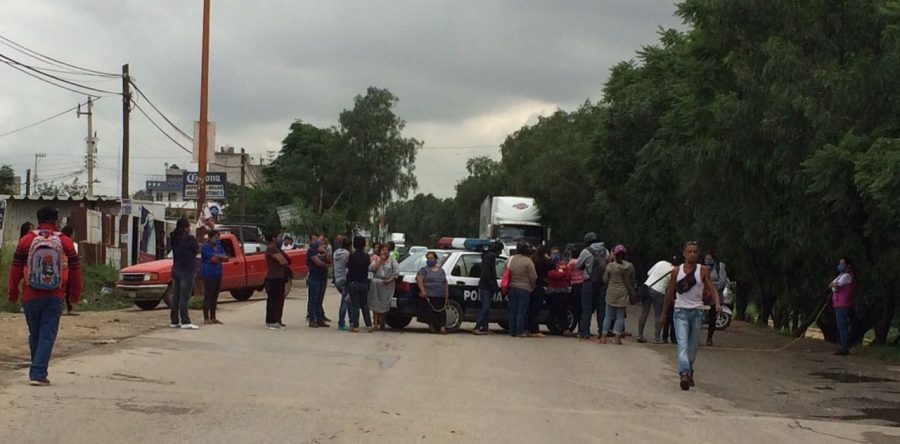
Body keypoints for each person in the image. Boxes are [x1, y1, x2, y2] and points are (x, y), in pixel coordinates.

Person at [8, 207, 82, 386]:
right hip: (55, 294)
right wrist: (75, 293)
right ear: (56, 221)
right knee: (47, 334)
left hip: (30, 294)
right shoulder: (64, 242)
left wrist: (12, 292)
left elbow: (16, 268)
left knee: (35, 333)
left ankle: (37, 368)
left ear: (38, 219)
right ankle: (38, 372)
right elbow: (75, 269)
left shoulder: (26, 240)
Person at [661, 241, 722, 391]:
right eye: (690, 251)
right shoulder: (676, 270)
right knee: (682, 344)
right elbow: (670, 292)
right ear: (684, 254)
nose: (692, 254)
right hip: (680, 311)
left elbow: (712, 289)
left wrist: (718, 303)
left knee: (693, 347)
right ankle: (684, 374)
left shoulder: (703, 270)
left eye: (695, 251)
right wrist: (664, 312)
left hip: (697, 312)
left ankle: (689, 370)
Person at [599, 245, 636, 344]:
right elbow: (632, 280)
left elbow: (604, 279)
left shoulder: (610, 266)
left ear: (615, 255)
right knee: (620, 317)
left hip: (611, 292)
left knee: (608, 315)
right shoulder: (630, 266)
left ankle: (603, 337)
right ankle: (617, 338)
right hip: (623, 293)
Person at [575, 233, 609, 340]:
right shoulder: (605, 251)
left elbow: (577, 265)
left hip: (588, 282)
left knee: (586, 309)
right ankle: (602, 332)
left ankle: (585, 332)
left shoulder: (586, 251)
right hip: (602, 284)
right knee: (601, 309)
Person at [169, 218, 200, 330]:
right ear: (186, 227)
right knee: (184, 297)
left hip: (176, 268)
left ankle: (174, 320)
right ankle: (185, 321)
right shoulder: (190, 239)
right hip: (187, 270)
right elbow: (197, 251)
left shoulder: (174, 238)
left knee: (176, 296)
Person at [637, 257, 674, 344]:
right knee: (658, 314)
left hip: (648, 286)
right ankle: (657, 338)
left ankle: (640, 335)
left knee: (644, 312)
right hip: (659, 291)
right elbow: (670, 284)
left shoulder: (661, 262)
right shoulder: (674, 270)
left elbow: (649, 273)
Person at [507, 242, 537, 338]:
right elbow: (533, 276)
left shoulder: (510, 259)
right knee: (521, 311)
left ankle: (512, 330)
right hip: (524, 288)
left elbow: (506, 271)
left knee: (512, 310)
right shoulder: (528, 261)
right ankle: (519, 331)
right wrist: (532, 286)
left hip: (512, 287)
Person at [200, 230, 229, 325]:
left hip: (218, 273)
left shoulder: (219, 247)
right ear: (209, 237)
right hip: (208, 273)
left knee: (215, 296)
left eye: (218, 238)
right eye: (215, 237)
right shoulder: (205, 247)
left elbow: (226, 258)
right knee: (208, 295)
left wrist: (219, 257)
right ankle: (206, 318)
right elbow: (213, 259)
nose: (217, 240)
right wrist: (220, 257)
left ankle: (213, 317)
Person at [417, 251, 449, 334]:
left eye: (431, 258)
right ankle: (432, 326)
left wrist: (446, 293)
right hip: (429, 295)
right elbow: (420, 280)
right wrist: (423, 291)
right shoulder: (424, 270)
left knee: (441, 312)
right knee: (430, 312)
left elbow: (445, 282)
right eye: (428, 258)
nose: (429, 260)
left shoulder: (441, 270)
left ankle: (442, 327)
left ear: (435, 259)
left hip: (440, 295)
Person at [474, 241, 502, 335]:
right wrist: (492, 284)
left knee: (487, 308)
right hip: (486, 286)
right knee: (485, 308)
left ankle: (485, 328)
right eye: (500, 251)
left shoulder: (487, 256)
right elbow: (487, 273)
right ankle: (477, 327)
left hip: (486, 286)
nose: (500, 253)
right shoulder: (490, 257)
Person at [369, 244, 399, 330]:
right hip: (376, 283)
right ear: (379, 251)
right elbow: (372, 269)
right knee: (375, 303)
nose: (385, 251)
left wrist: (389, 280)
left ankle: (382, 322)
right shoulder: (376, 259)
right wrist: (380, 261)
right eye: (383, 250)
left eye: (387, 250)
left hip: (388, 284)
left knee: (384, 303)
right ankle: (375, 323)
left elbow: (396, 272)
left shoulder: (392, 260)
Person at [265, 231, 291, 330]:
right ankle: (272, 321)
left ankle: (275, 320)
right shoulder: (272, 248)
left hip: (279, 276)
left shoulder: (277, 248)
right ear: (273, 238)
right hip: (274, 277)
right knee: (274, 299)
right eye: (279, 237)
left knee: (278, 299)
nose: (281, 239)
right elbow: (282, 261)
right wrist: (284, 261)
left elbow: (287, 259)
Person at [346, 236, 372, 332]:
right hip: (364, 282)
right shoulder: (366, 256)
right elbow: (368, 269)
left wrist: (348, 284)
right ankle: (369, 325)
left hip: (354, 282)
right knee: (365, 304)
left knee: (355, 305)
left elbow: (349, 269)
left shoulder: (352, 256)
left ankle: (355, 325)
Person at [830, 257, 855, 356]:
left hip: (843, 303)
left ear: (848, 265)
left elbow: (835, 286)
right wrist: (834, 286)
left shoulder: (847, 276)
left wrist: (834, 286)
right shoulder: (841, 276)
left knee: (842, 326)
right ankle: (843, 346)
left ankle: (844, 347)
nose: (840, 266)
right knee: (840, 325)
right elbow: (831, 285)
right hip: (838, 303)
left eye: (842, 264)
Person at [526, 245, 551, 338]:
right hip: (539, 286)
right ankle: (534, 330)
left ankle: (528, 328)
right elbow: (553, 265)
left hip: (530, 287)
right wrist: (548, 258)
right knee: (536, 310)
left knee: (530, 309)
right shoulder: (544, 261)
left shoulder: (532, 259)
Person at [306, 239, 332, 328]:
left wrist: (325, 252)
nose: (323, 246)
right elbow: (318, 262)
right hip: (314, 278)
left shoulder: (323, 252)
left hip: (323, 277)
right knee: (313, 299)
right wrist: (326, 265)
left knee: (319, 300)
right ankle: (312, 319)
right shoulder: (311, 251)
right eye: (321, 245)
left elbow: (330, 260)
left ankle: (319, 319)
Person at [704, 253, 728, 346]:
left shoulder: (719, 267)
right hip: (703, 296)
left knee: (712, 318)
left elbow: (722, 282)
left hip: (715, 297)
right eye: (706, 259)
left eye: (710, 259)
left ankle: (709, 338)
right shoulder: (702, 268)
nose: (708, 261)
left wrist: (711, 287)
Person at [547, 247, 572, 335]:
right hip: (553, 292)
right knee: (555, 311)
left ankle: (565, 329)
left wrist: (561, 275)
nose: (555, 255)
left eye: (557, 253)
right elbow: (551, 275)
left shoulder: (563, 264)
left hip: (564, 291)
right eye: (554, 253)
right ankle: (556, 328)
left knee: (564, 311)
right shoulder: (549, 264)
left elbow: (569, 274)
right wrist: (562, 274)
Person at [59, 226, 79, 316]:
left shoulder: (58, 241)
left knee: (64, 289)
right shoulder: (69, 243)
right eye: (73, 234)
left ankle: (67, 307)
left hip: (60, 269)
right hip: (66, 269)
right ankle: (66, 308)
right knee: (66, 289)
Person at [333, 237, 351, 331]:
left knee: (347, 300)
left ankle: (350, 321)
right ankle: (341, 323)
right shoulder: (347, 254)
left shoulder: (336, 253)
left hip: (337, 279)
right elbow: (348, 265)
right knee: (345, 301)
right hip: (344, 279)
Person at [567, 247, 584, 335]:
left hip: (574, 285)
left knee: (575, 308)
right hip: (582, 284)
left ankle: (573, 327)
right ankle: (582, 329)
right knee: (582, 308)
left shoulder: (571, 262)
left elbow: (568, 273)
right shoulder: (581, 262)